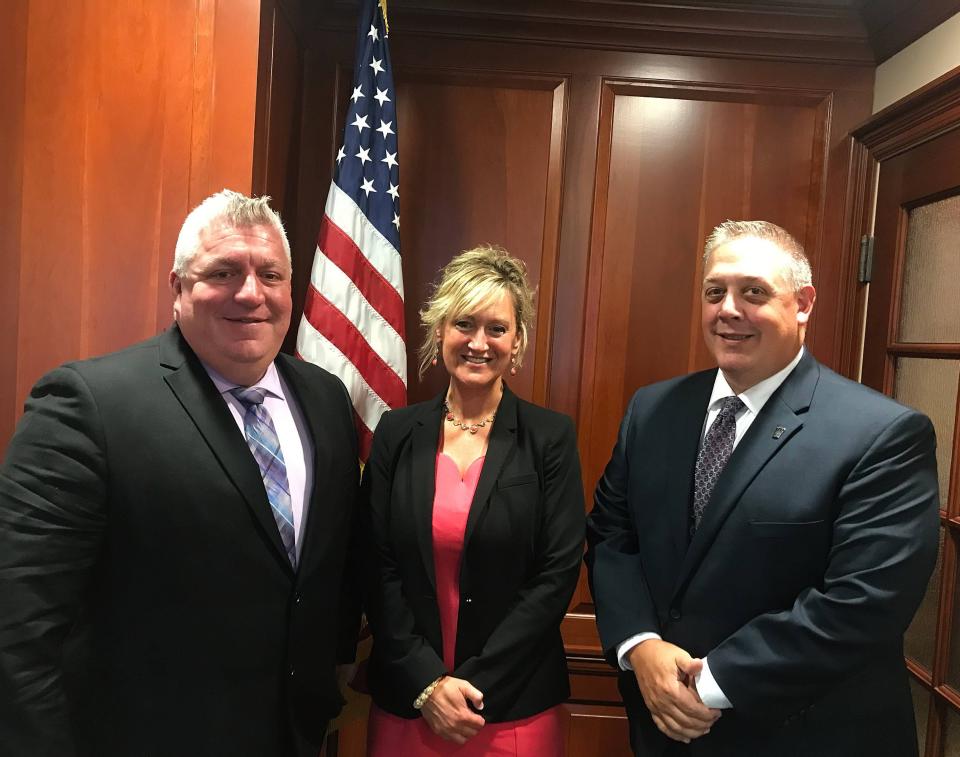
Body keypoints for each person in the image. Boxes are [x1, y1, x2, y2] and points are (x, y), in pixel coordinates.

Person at [0, 190, 362, 756]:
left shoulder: (327, 401)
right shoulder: (87, 405)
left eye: (271, 274)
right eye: (223, 272)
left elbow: (327, 571)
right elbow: (19, 629)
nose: (251, 293)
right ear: (178, 287)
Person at [585, 220, 939, 756]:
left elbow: (862, 602)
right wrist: (641, 646)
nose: (728, 309)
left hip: (804, 734)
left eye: (753, 291)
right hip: (662, 728)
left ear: (803, 303)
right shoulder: (652, 410)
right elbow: (613, 535)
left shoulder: (881, 434)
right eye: (714, 292)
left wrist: (706, 684)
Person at [364, 245, 585, 755]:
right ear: (440, 331)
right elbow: (374, 565)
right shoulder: (397, 434)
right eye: (464, 324)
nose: (478, 343)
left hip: (512, 707)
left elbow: (556, 577)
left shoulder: (549, 438)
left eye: (497, 328)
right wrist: (428, 686)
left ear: (518, 340)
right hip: (409, 701)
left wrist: (469, 688)